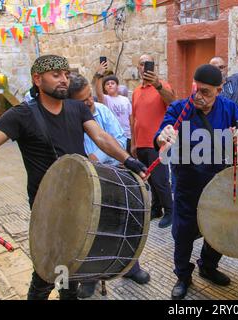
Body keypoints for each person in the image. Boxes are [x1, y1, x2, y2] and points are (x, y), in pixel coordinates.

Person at [0, 55, 148, 300]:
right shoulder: (21, 114)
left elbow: (101, 137)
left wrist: (128, 160)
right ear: (37, 79)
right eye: (56, 75)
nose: (64, 80)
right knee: (45, 273)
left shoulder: (77, 108)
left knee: (72, 271)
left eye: (66, 74)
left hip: (82, 203)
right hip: (48, 210)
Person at [155, 64, 238, 300]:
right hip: (187, 181)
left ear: (219, 90)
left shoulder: (229, 108)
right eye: (196, 88)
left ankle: (208, 266)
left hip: (219, 181)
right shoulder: (180, 107)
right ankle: (183, 275)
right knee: (184, 231)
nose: (199, 96)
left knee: (218, 227)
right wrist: (163, 136)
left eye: (206, 92)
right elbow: (161, 134)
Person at [67, 73, 151, 298]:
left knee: (127, 223)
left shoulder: (102, 111)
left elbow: (118, 138)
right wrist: (93, 159)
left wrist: (104, 159)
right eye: (82, 100)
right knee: (92, 228)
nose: (89, 102)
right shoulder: (70, 121)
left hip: (117, 173)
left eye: (90, 97)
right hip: (90, 182)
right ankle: (90, 277)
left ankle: (131, 267)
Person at [131, 54, 175, 228]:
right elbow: (134, 118)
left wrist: (157, 85)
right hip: (141, 144)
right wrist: (134, 143)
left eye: (147, 64)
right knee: (149, 179)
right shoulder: (135, 91)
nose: (144, 67)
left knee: (160, 180)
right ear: (138, 68)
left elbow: (172, 102)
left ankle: (170, 211)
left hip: (158, 143)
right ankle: (156, 208)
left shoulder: (162, 86)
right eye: (141, 64)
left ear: (153, 67)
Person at [94, 62, 133, 153]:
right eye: (107, 84)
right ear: (105, 88)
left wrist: (133, 138)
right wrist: (99, 76)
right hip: (113, 136)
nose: (110, 85)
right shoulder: (106, 99)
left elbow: (131, 120)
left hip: (127, 136)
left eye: (112, 83)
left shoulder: (125, 100)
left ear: (117, 86)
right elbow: (99, 93)